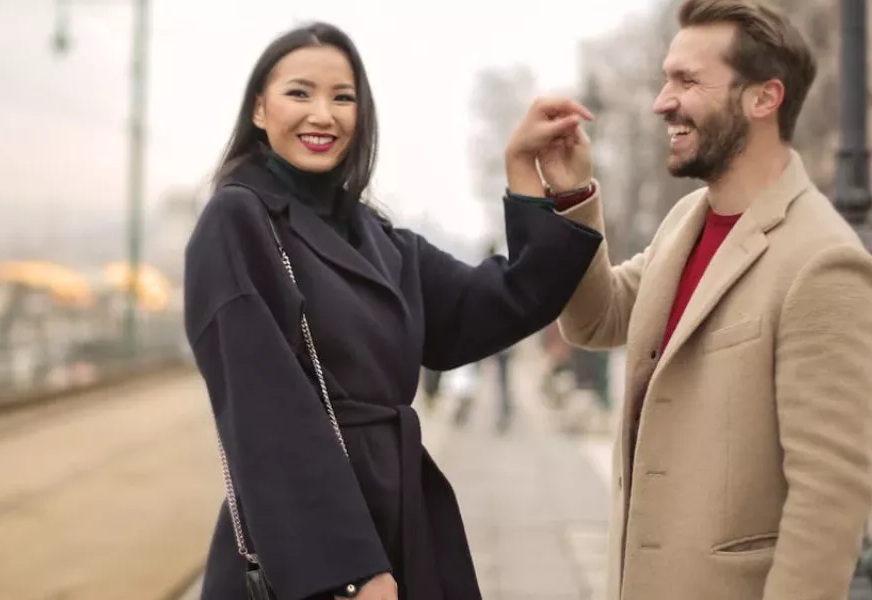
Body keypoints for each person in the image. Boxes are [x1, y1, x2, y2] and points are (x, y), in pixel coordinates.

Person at [182, 22, 603, 600]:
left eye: (343, 97)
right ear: (259, 109)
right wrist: (348, 571)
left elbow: (504, 301)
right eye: (299, 93)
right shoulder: (238, 221)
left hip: (402, 520)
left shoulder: (379, 238)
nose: (323, 114)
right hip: (312, 547)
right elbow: (264, 409)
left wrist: (532, 183)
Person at [548, 1, 872, 598]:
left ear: (764, 98)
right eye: (665, 78)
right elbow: (596, 319)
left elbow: (828, 504)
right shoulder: (686, 221)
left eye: (686, 80)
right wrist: (574, 193)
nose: (662, 101)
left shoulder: (826, 262)